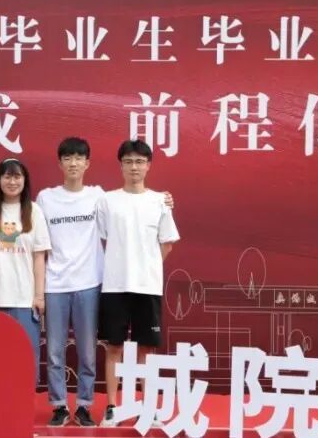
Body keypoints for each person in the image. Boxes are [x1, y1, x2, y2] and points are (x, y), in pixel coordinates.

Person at [36, 137, 173, 428]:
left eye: (79, 158)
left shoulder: (100, 197)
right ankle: (62, 406)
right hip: (61, 284)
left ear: (88, 163)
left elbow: (163, 237)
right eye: (68, 158)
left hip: (94, 283)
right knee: (58, 351)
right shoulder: (51, 198)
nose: (74, 163)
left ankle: (87, 406)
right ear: (60, 163)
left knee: (93, 352)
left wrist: (147, 264)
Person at [96, 139, 180, 428]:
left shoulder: (160, 201)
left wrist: (148, 266)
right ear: (120, 165)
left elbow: (167, 243)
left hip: (147, 287)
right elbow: (101, 238)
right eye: (129, 161)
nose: (134, 167)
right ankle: (111, 407)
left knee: (147, 350)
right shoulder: (107, 201)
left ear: (148, 166)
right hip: (115, 286)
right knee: (113, 348)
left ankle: (149, 409)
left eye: (140, 161)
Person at [0, 158, 51, 386]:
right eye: (7, 176)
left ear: (25, 180)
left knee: (25, 360)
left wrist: (39, 296)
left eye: (17, 176)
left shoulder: (34, 211)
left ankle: (24, 405)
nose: (12, 182)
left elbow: (39, 257)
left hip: (24, 301)